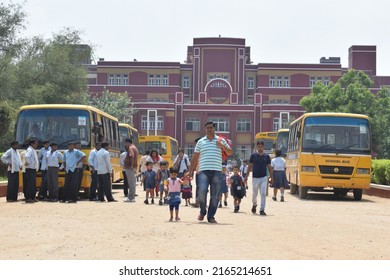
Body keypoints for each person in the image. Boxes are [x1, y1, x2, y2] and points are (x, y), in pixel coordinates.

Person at [188, 121, 233, 223]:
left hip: (217, 171)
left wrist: (222, 146)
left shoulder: (220, 140)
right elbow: (195, 157)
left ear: (214, 129)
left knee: (215, 195)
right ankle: (203, 211)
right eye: (207, 128)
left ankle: (211, 216)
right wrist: (190, 171)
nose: (209, 129)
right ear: (205, 129)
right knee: (202, 191)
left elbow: (230, 152)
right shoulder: (201, 141)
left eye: (211, 128)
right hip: (203, 170)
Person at [244, 140, 273, 216]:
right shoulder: (253, 156)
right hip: (255, 178)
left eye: (261, 147)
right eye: (259, 147)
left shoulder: (267, 156)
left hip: (264, 177)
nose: (260, 148)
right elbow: (250, 166)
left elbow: (270, 167)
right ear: (257, 147)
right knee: (254, 194)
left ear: (263, 147)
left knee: (263, 193)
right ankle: (254, 204)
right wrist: (246, 177)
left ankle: (262, 209)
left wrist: (272, 178)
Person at [123, 138, 139, 203]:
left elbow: (131, 156)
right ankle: (131, 197)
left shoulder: (130, 148)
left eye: (125, 143)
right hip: (132, 167)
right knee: (132, 183)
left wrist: (131, 165)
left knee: (131, 183)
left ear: (128, 142)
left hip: (130, 167)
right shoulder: (134, 147)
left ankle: (131, 198)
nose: (125, 145)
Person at [24, 138, 39, 203]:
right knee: (30, 184)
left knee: (33, 184)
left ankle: (33, 197)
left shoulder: (33, 150)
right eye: (35, 144)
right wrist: (29, 162)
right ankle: (28, 198)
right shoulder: (29, 149)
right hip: (30, 169)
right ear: (32, 144)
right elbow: (26, 156)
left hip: (33, 169)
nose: (37, 145)